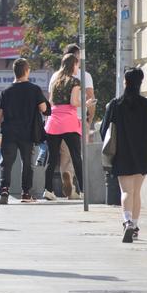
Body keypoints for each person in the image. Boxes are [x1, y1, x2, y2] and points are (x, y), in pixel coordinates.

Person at [100, 67, 147, 243]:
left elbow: (104, 130)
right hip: (143, 154)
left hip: (122, 153)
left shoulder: (115, 105)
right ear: (140, 83)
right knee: (136, 191)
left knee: (126, 191)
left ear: (125, 82)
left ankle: (127, 221)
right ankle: (134, 226)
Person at [43, 53, 95, 201]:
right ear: (73, 65)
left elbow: (51, 101)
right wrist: (86, 104)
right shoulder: (74, 81)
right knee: (76, 157)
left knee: (52, 158)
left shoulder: (55, 82)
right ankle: (83, 191)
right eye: (77, 64)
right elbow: (73, 102)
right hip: (69, 122)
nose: (78, 67)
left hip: (53, 122)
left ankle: (48, 190)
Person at [0, 58, 47, 204]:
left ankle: (4, 190)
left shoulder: (5, 91)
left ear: (14, 72)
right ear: (27, 71)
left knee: (6, 163)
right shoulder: (35, 89)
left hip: (9, 132)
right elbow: (44, 109)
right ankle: (26, 194)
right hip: (28, 133)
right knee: (27, 163)